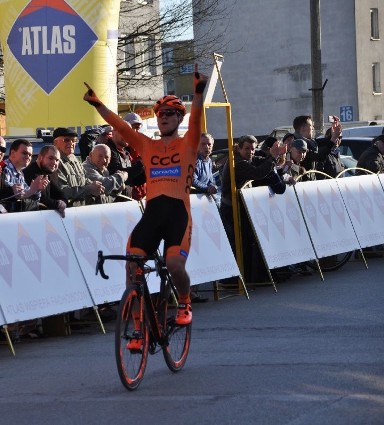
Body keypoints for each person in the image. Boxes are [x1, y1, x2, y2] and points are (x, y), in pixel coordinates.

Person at [83, 70, 208, 327]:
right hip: (152, 215)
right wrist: (98, 104)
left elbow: (196, 121)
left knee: (174, 264)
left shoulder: (188, 143)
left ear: (178, 118)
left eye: (169, 113)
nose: (162, 117)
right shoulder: (147, 146)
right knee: (132, 266)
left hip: (177, 216)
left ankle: (184, 300)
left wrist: (198, 92)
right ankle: (139, 327)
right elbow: (120, 126)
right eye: (160, 114)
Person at [219, 135, 286, 282]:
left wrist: (276, 155)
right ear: (239, 148)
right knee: (237, 243)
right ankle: (232, 280)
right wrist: (273, 158)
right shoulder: (237, 163)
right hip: (231, 209)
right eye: (247, 149)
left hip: (242, 207)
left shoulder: (249, 158)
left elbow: (261, 163)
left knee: (248, 242)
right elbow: (258, 173)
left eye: (253, 149)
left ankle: (250, 276)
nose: (250, 152)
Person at [51, 127, 104, 207]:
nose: (71, 143)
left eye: (74, 140)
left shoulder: (76, 161)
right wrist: (88, 189)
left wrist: (94, 186)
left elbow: (85, 180)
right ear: (55, 143)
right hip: (65, 212)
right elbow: (62, 192)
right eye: (67, 140)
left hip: (81, 210)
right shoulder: (55, 162)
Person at [0, 138, 48, 213]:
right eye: (24, 153)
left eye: (30, 155)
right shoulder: (3, 169)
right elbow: (10, 196)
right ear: (13, 153)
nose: (28, 157)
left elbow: (30, 197)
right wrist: (31, 191)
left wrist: (37, 190)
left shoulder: (20, 172)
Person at [23, 144, 67, 217]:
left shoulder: (46, 173)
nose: (54, 163)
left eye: (57, 160)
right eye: (50, 158)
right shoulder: (30, 173)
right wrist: (57, 204)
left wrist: (62, 202)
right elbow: (39, 198)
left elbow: (59, 193)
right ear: (40, 157)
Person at [105, 125, 146, 200]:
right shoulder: (107, 151)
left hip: (126, 202)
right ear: (113, 133)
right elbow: (118, 175)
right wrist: (141, 163)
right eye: (124, 133)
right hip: (113, 203)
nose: (128, 137)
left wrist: (148, 169)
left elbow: (133, 181)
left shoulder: (126, 153)